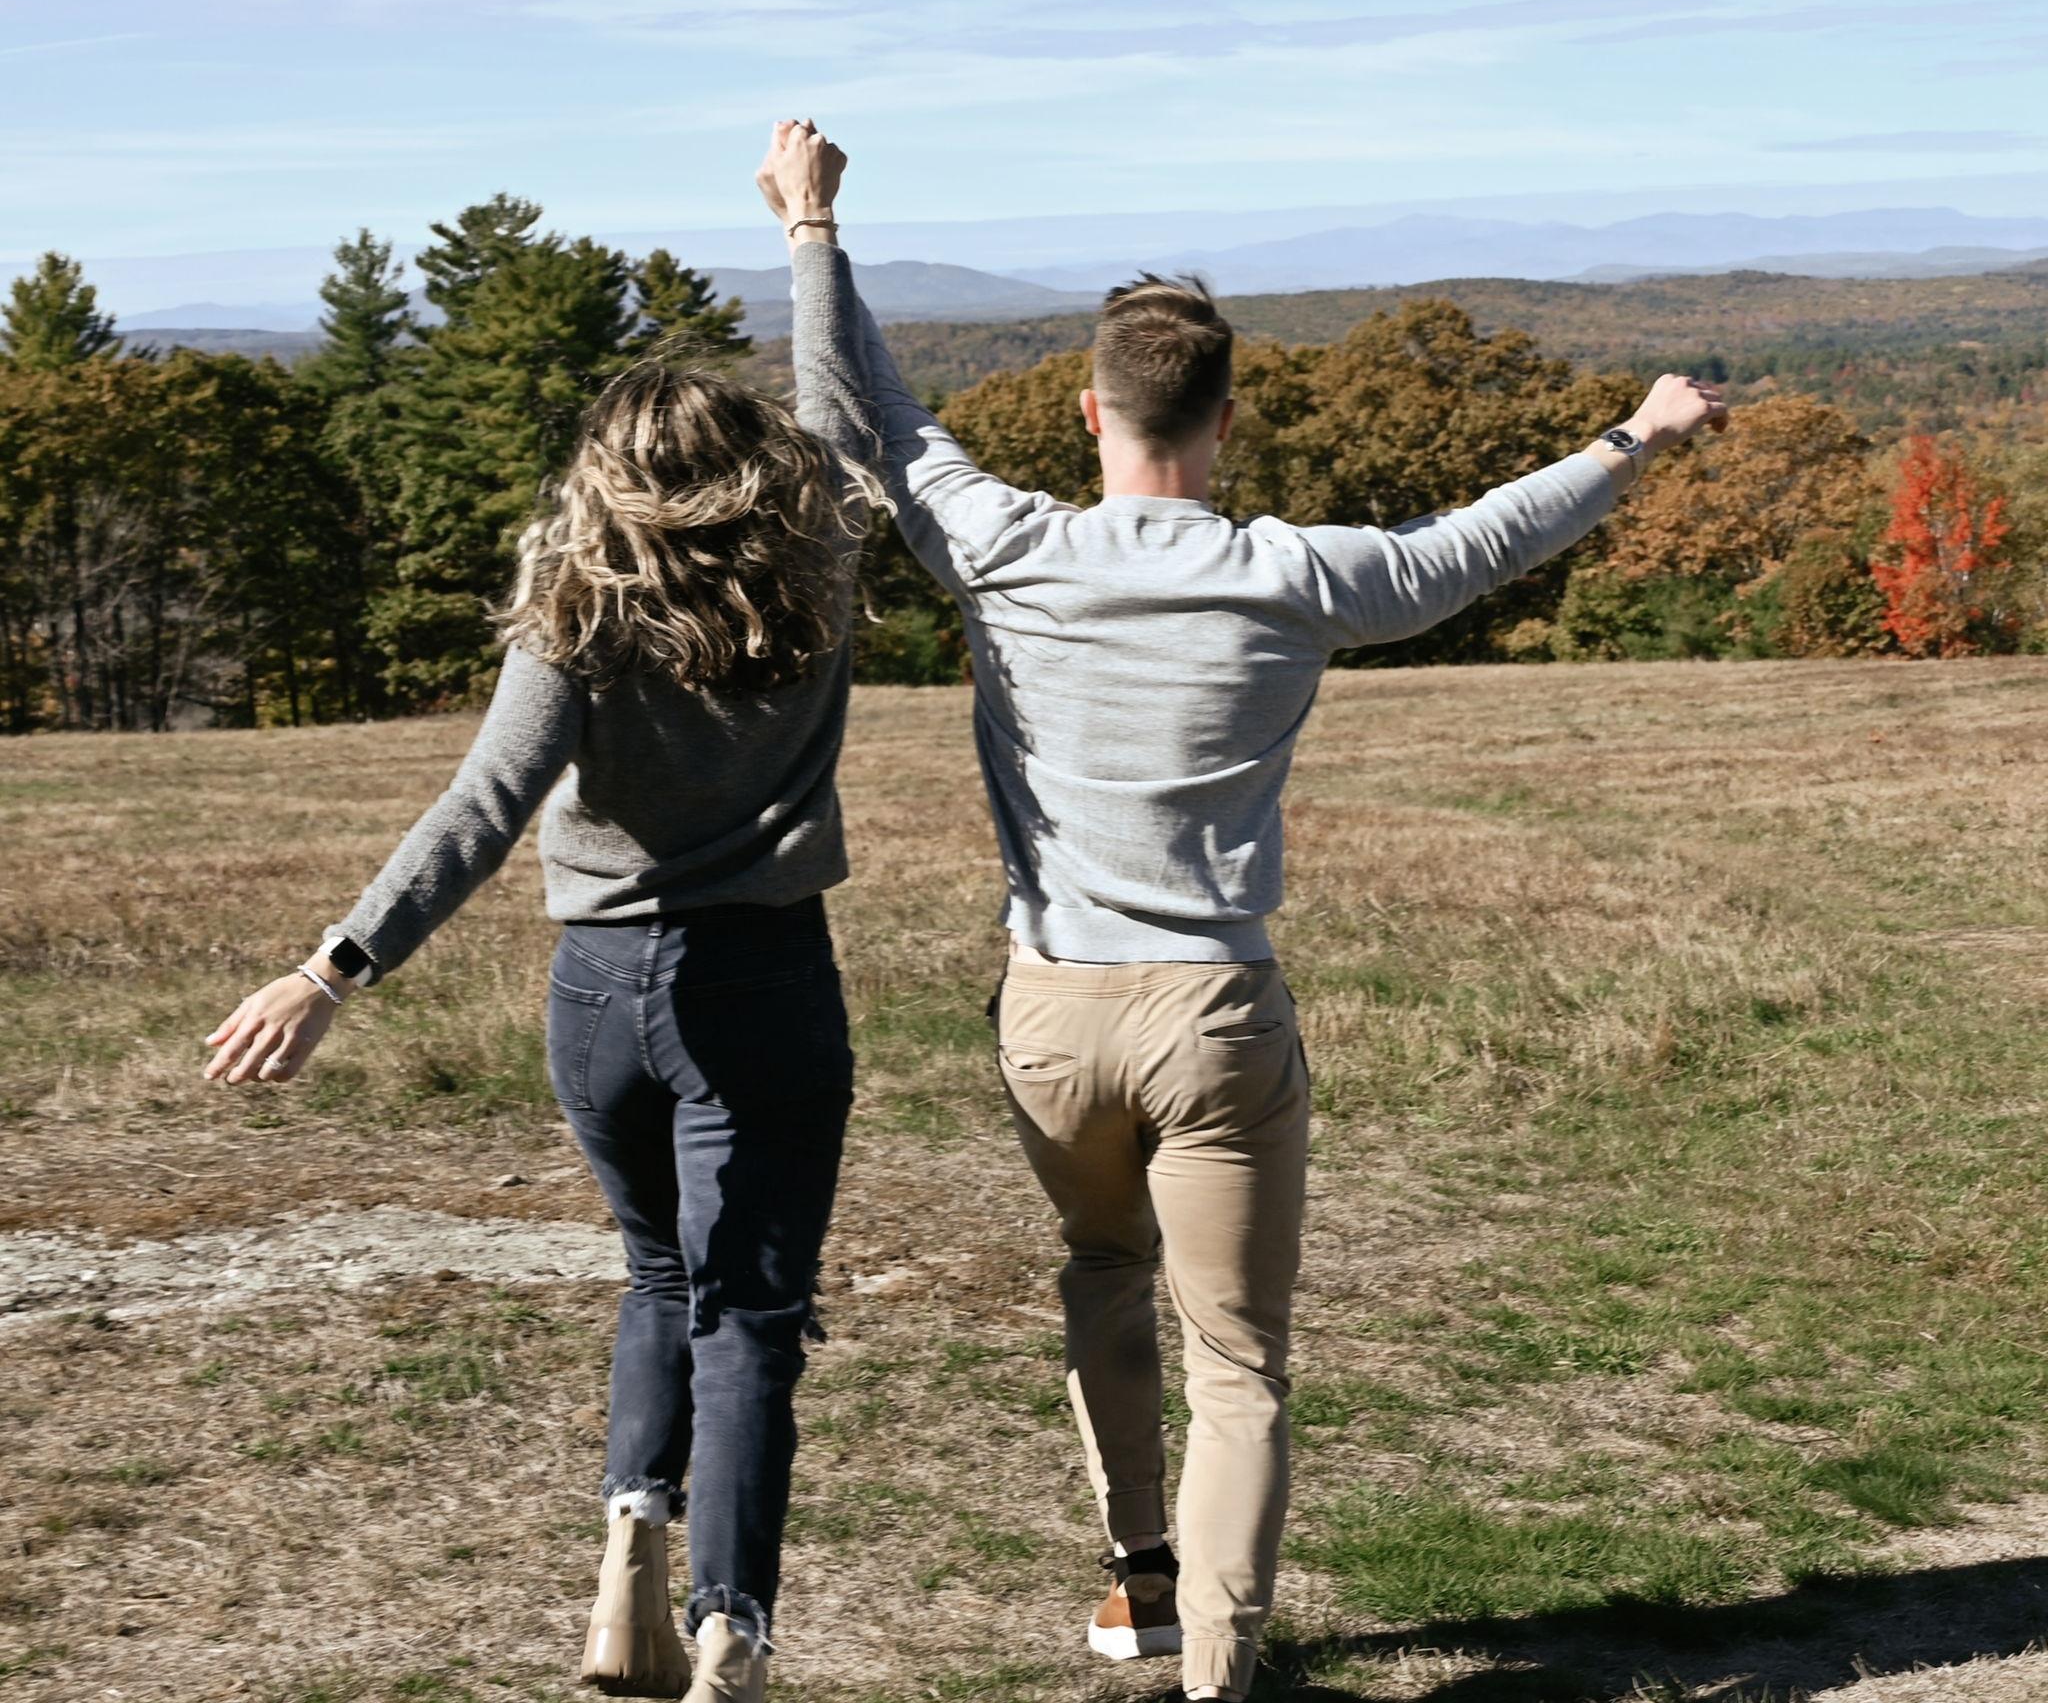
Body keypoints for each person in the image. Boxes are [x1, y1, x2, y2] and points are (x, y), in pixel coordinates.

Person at [781, 137, 1727, 1702]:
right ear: (1226, 421)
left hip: (1053, 1005)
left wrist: (817, 230)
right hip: (1215, 1013)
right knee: (1240, 1361)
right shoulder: (1293, 575)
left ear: (1089, 412)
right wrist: (1635, 437)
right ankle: (1220, 1672)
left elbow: (876, 410)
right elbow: (1478, 545)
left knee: (1101, 1269)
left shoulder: (1002, 548)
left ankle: (1138, 1582)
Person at [204, 132, 871, 1703]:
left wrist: (330, 972)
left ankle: (625, 1571)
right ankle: (730, 1631)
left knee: (662, 1279)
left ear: (604, 479)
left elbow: (480, 810)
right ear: (754, 464)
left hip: (603, 997)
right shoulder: (823, 547)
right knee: (750, 1320)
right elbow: (837, 403)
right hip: (766, 985)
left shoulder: (577, 609)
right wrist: (812, 226)